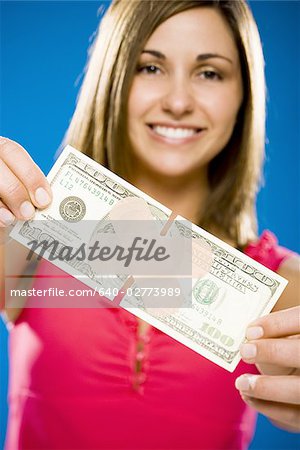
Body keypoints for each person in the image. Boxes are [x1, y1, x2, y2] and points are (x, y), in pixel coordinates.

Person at [0, 0, 299, 448]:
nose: (178, 102)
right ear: (113, 82)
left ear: (244, 94)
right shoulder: (24, 233)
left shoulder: (286, 289)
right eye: (150, 68)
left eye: (210, 73)